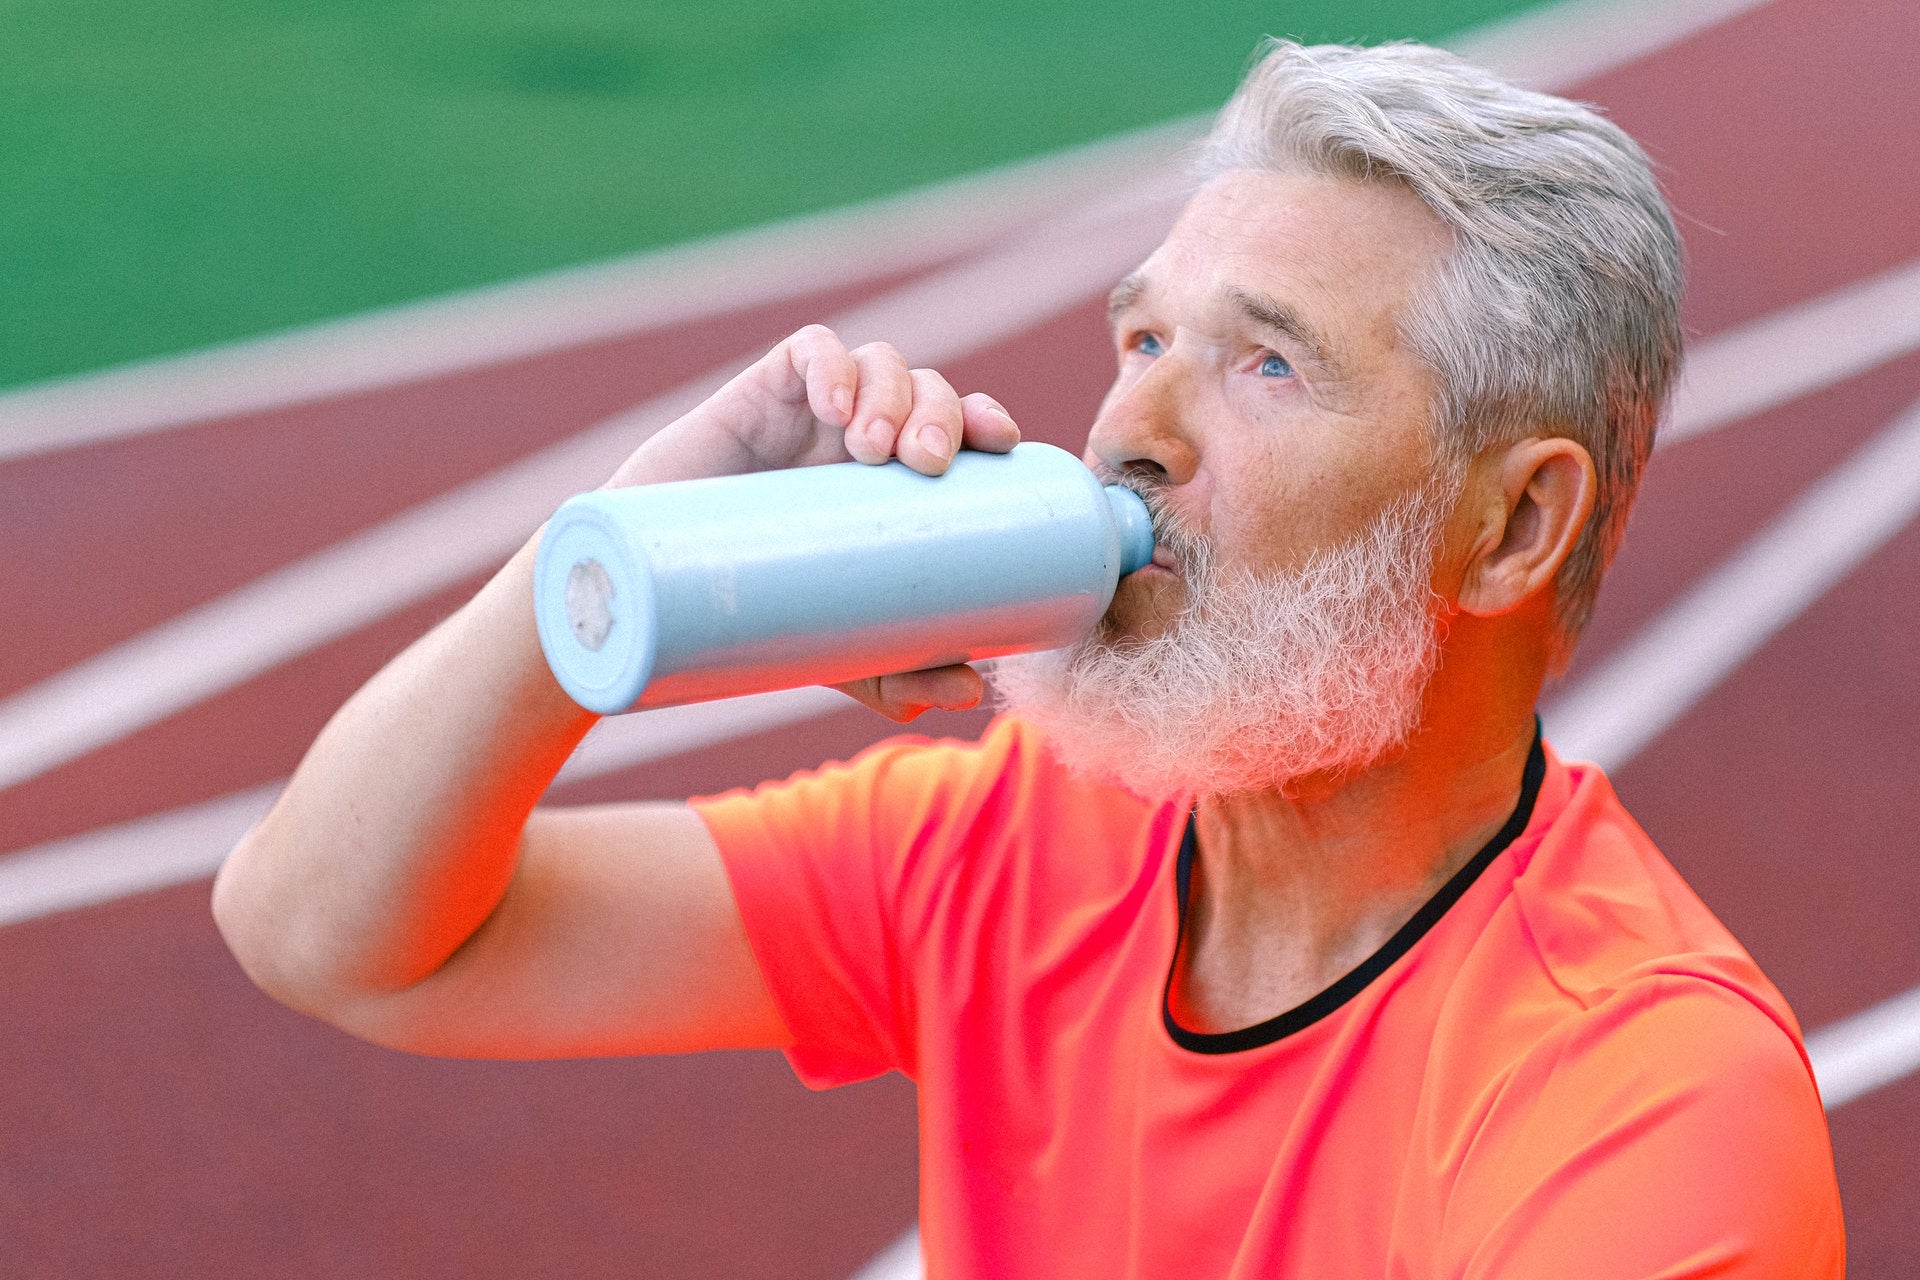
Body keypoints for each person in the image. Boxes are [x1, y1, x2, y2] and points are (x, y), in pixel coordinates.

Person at [213, 39, 1846, 1278]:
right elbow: (340, 939)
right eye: (1144, 339)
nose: (1127, 433)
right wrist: (614, 548)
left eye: (1268, 366)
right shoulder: (1021, 839)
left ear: (1507, 530)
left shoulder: (1644, 1109)